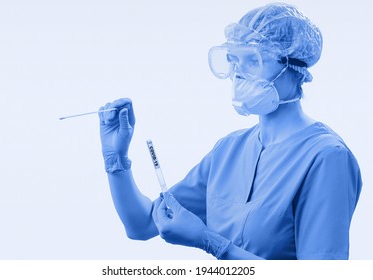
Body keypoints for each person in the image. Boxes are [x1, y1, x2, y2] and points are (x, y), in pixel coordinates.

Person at [98, 3, 362, 259]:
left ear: (294, 66)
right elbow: (143, 225)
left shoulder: (327, 157)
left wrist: (208, 241)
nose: (238, 74)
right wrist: (116, 159)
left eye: (252, 60)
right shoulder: (229, 150)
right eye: (234, 60)